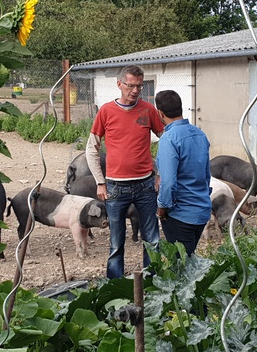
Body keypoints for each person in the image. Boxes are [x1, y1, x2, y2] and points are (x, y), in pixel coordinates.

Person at [86, 65, 165, 279]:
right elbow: (91, 147)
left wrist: (161, 174)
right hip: (114, 187)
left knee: (152, 239)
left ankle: (153, 284)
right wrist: (100, 182)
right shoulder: (106, 111)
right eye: (131, 86)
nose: (135, 90)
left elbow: (166, 140)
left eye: (139, 86)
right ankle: (114, 287)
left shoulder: (148, 110)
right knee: (116, 242)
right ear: (119, 84)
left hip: (146, 185)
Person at [155, 90, 212, 256]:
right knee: (189, 259)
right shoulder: (200, 134)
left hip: (180, 214)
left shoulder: (169, 138)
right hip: (201, 211)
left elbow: (168, 183)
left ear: (160, 113)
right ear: (181, 108)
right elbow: (206, 175)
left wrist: (162, 209)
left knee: (181, 267)